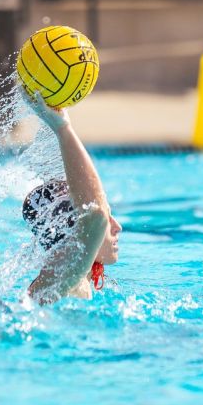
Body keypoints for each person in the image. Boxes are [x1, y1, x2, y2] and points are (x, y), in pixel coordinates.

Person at [21, 92, 122, 305]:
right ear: (72, 228)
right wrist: (63, 129)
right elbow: (96, 215)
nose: (117, 227)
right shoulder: (62, 278)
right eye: (112, 216)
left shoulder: (72, 280)